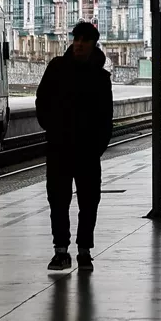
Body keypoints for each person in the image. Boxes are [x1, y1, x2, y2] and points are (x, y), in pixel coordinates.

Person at [36, 22, 113, 272]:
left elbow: (105, 116)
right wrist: (51, 127)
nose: (78, 44)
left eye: (84, 40)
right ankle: (60, 250)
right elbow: (42, 99)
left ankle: (84, 251)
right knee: (58, 200)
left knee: (89, 202)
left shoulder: (101, 78)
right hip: (59, 147)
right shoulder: (57, 68)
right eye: (76, 39)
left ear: (93, 44)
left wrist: (97, 146)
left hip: (88, 151)